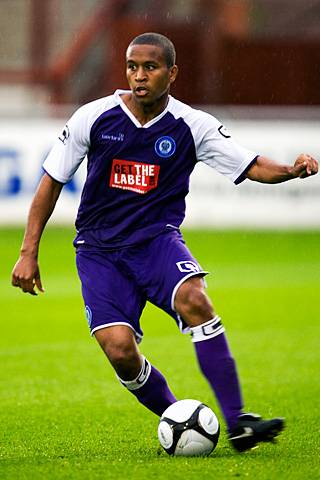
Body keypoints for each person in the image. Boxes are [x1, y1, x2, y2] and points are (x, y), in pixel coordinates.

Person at [11, 32, 318, 453]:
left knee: (195, 299)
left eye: (150, 68)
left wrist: (291, 169)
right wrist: (28, 252)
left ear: (171, 73)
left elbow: (250, 165)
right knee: (119, 350)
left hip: (157, 242)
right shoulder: (93, 117)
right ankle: (179, 419)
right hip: (99, 252)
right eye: (132, 67)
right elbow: (51, 182)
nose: (139, 76)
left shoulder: (192, 125)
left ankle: (239, 422)